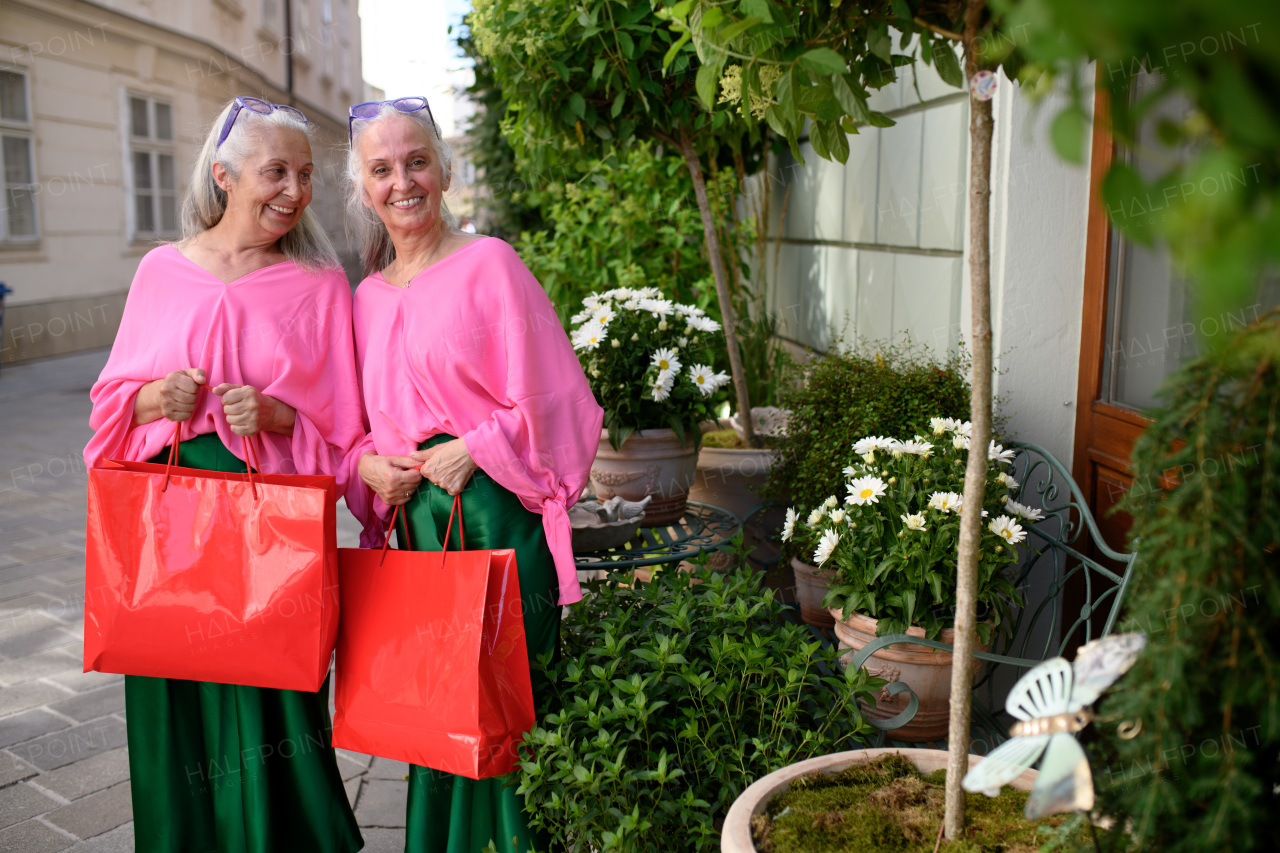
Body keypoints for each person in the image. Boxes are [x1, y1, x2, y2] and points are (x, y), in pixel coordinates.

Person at [84, 96, 366, 853]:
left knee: (275, 693)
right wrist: (153, 396)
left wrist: (277, 416)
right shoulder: (159, 272)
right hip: (168, 523)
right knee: (169, 674)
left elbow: (344, 436)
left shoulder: (317, 286)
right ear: (224, 175)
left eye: (304, 175)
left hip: (268, 526)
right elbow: (109, 409)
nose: (294, 191)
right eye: (276, 171)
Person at [344, 96, 602, 853]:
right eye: (382, 168)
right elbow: (355, 422)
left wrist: (478, 444)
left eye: (417, 160)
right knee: (434, 700)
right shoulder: (362, 298)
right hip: (418, 525)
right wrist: (367, 463)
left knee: (506, 694)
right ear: (364, 187)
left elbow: (559, 396)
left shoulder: (490, 263)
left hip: (494, 512)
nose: (403, 181)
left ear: (446, 169)